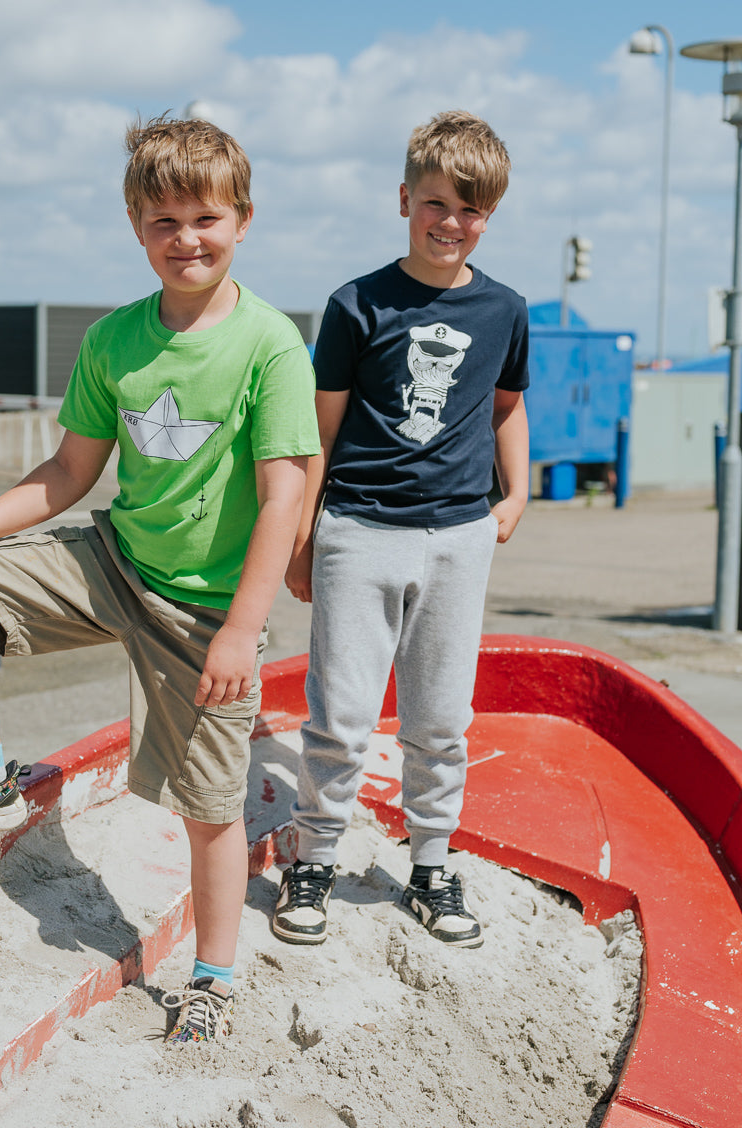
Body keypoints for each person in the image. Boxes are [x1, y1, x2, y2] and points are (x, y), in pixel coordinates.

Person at [0, 115, 319, 1042]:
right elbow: (68, 474)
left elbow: (286, 497)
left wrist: (244, 627)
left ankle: (213, 978)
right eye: (164, 222)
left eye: (206, 219)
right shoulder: (116, 340)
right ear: (134, 225)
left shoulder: (271, 345)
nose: (186, 239)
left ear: (243, 219)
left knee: (208, 810)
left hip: (205, 609)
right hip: (117, 560)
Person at [271, 110, 530, 951]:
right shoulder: (356, 304)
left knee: (440, 717)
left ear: (489, 215)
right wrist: (305, 538)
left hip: (457, 538)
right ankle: (314, 857)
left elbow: (506, 407)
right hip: (359, 530)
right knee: (341, 715)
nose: (451, 223)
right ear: (405, 198)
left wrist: (516, 494)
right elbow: (322, 432)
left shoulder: (505, 309)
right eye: (436, 203)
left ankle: (430, 863)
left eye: (472, 209)